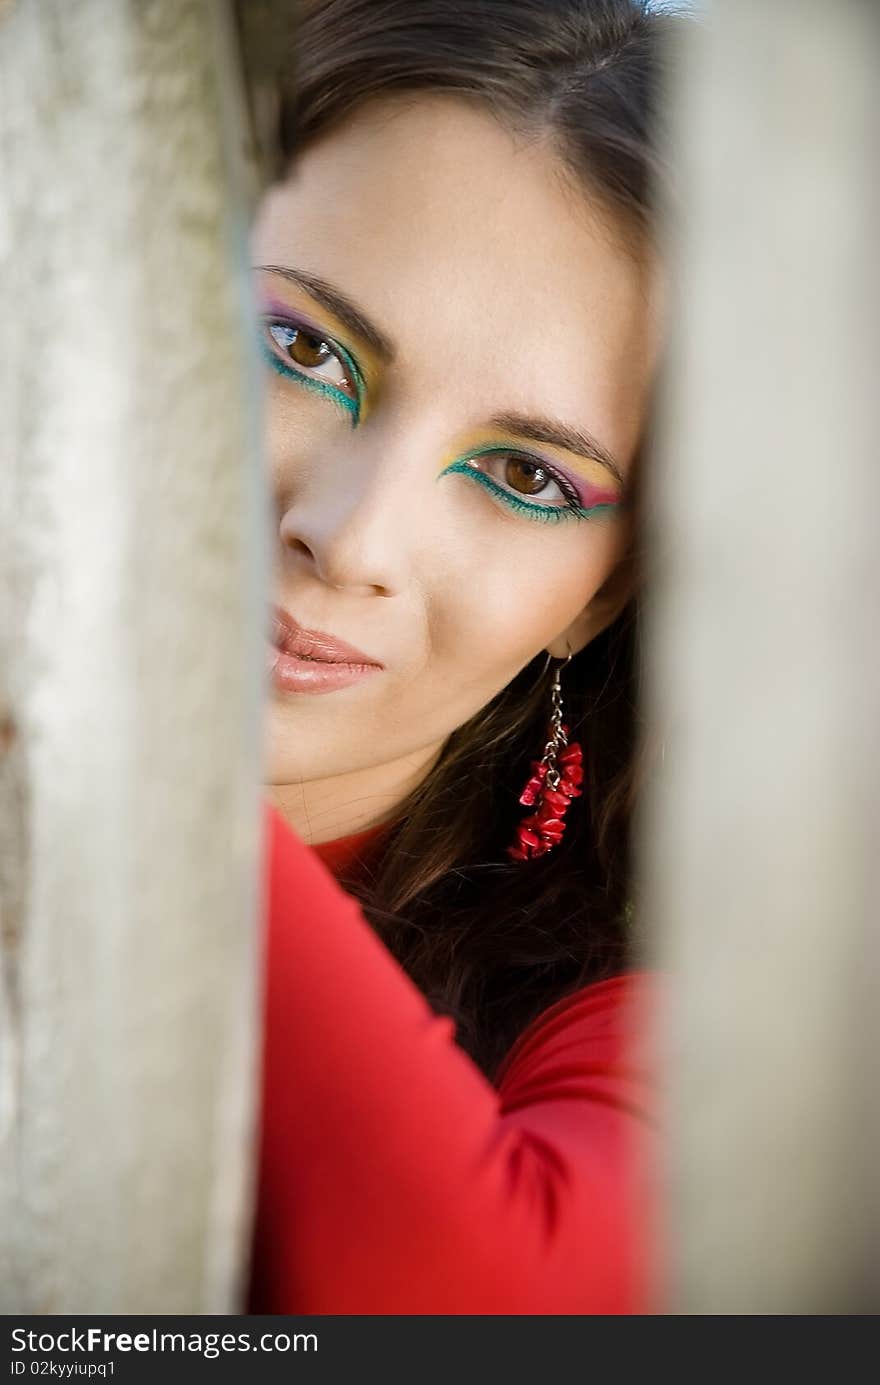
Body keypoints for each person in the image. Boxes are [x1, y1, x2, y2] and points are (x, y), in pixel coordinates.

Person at [248, 0, 673, 1314]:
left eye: (524, 475)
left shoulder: (655, 1014)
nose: (349, 535)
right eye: (303, 348)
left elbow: (475, 1286)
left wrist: (115, 727)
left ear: (598, 604)